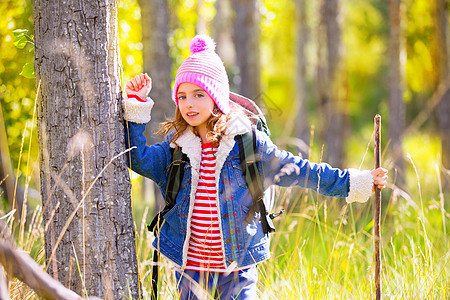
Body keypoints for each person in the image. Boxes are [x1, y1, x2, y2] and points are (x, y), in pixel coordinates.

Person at [122, 35, 388, 299]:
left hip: (238, 266)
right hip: (191, 270)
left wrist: (355, 182)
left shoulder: (247, 144)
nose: (189, 103)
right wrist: (136, 106)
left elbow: (301, 170)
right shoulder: (175, 148)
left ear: (216, 97)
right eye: (182, 96)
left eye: (199, 94)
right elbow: (139, 159)